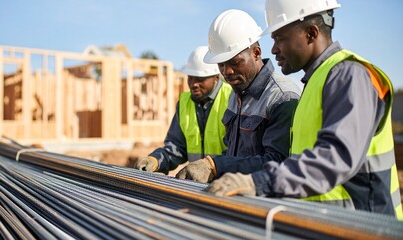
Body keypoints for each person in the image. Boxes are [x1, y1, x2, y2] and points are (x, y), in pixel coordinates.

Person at [207, 0, 403, 220]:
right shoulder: (317, 82)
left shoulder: (350, 76)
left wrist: (258, 181)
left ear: (311, 33)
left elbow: (334, 158)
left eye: (280, 38)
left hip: (364, 226)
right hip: (325, 223)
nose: (273, 49)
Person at [176, 10, 301, 183]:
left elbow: (278, 163)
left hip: (267, 204)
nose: (227, 72)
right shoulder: (237, 93)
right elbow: (234, 153)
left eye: (235, 62)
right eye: (221, 64)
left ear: (256, 53)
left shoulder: (282, 97)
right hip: (236, 196)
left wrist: (216, 165)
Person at [134, 46, 232, 174]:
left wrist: (212, 167)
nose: (193, 84)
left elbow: (236, 152)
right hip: (195, 183)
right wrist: (157, 159)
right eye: (190, 78)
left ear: (216, 78)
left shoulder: (231, 99)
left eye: (200, 79)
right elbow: (177, 147)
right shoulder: (184, 103)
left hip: (225, 183)